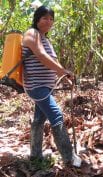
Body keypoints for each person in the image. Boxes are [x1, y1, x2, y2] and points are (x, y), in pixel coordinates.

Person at [22, 5, 81, 167]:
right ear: (37, 19)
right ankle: (69, 158)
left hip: (46, 86)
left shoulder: (45, 38)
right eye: (45, 18)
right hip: (36, 85)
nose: (49, 21)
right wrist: (64, 71)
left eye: (51, 19)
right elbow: (41, 55)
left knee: (39, 119)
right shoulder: (31, 33)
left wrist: (63, 77)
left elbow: (52, 61)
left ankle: (35, 155)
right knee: (56, 115)